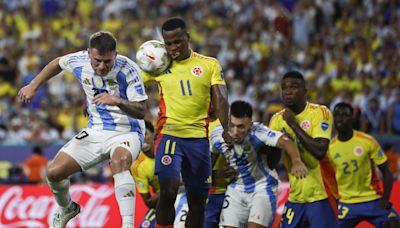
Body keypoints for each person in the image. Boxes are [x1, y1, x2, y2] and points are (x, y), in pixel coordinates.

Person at [18, 31, 147, 228]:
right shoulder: (78, 60)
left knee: (119, 161)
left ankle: (128, 224)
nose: (102, 66)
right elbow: (56, 63)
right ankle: (67, 208)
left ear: (116, 54)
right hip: (95, 130)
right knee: (53, 173)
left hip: (127, 130)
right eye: (97, 61)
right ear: (88, 53)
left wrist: (118, 101)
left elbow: (141, 111)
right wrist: (33, 85)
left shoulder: (129, 68)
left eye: (107, 61)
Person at [141, 17, 232, 228]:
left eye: (178, 42)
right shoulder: (158, 66)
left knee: (198, 201)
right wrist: (100, 99)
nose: (173, 48)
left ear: (188, 38)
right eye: (168, 43)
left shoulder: (208, 64)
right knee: (168, 191)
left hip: (199, 140)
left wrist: (227, 128)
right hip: (169, 135)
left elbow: (220, 97)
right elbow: (130, 82)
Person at [211, 101, 308, 228]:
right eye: (232, 126)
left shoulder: (258, 132)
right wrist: (212, 174)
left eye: (241, 127)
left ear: (250, 125)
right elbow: (208, 157)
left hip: (262, 187)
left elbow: (286, 142)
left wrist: (296, 161)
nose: (235, 132)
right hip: (236, 189)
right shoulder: (217, 136)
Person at [269, 71, 338, 228]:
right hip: (296, 197)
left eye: (293, 87)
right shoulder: (276, 120)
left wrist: (293, 125)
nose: (288, 91)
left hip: (322, 195)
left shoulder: (320, 112)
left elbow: (320, 151)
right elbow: (272, 161)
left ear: (305, 91)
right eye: (284, 88)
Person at [328, 102, 400, 228]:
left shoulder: (367, 141)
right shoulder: (329, 148)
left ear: (352, 118)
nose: (340, 118)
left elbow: (386, 171)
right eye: (337, 115)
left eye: (344, 115)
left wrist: (385, 198)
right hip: (346, 203)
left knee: (394, 224)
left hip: (372, 199)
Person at [204, 110, 237, 228]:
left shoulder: (230, 124)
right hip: (208, 193)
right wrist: (214, 174)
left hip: (233, 191)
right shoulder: (195, 127)